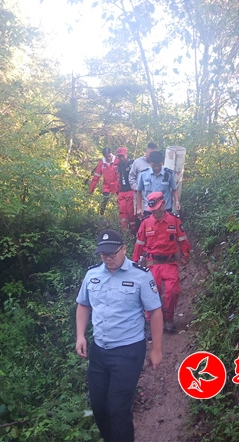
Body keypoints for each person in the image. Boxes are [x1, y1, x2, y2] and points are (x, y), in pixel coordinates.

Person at [76, 230, 163, 442]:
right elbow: (83, 305)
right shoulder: (92, 274)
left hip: (128, 351)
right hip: (99, 350)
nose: (108, 259)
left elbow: (155, 311)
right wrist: (80, 335)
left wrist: (156, 349)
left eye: (112, 254)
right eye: (103, 255)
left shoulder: (141, 276)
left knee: (118, 408)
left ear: (124, 249)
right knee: (99, 407)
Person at [132, 192, 191, 332]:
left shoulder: (174, 220)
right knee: (152, 292)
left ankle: (168, 319)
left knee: (172, 291)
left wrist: (185, 255)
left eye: (158, 209)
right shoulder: (146, 223)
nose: (156, 212)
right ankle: (150, 322)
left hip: (170, 263)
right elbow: (139, 244)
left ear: (164, 204)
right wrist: (134, 262)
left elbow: (183, 240)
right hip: (152, 263)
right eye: (153, 210)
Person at [136, 150, 180, 219]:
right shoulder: (143, 174)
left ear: (162, 163)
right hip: (149, 209)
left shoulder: (168, 173)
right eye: (154, 165)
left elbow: (174, 189)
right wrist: (139, 208)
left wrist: (177, 202)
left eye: (159, 165)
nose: (157, 168)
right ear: (150, 163)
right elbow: (139, 191)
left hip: (165, 209)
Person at [89, 147, 120, 216]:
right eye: (106, 157)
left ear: (111, 153)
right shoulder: (101, 163)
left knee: (121, 200)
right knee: (105, 199)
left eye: (109, 156)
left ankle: (121, 216)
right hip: (107, 185)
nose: (108, 158)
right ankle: (101, 216)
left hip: (117, 184)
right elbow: (96, 177)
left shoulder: (117, 161)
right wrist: (91, 189)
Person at [115, 147, 136, 233]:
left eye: (122, 156)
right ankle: (124, 231)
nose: (121, 158)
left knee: (131, 212)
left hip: (130, 190)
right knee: (122, 212)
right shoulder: (118, 165)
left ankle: (133, 230)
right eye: (119, 156)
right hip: (121, 191)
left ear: (126, 154)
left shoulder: (132, 163)